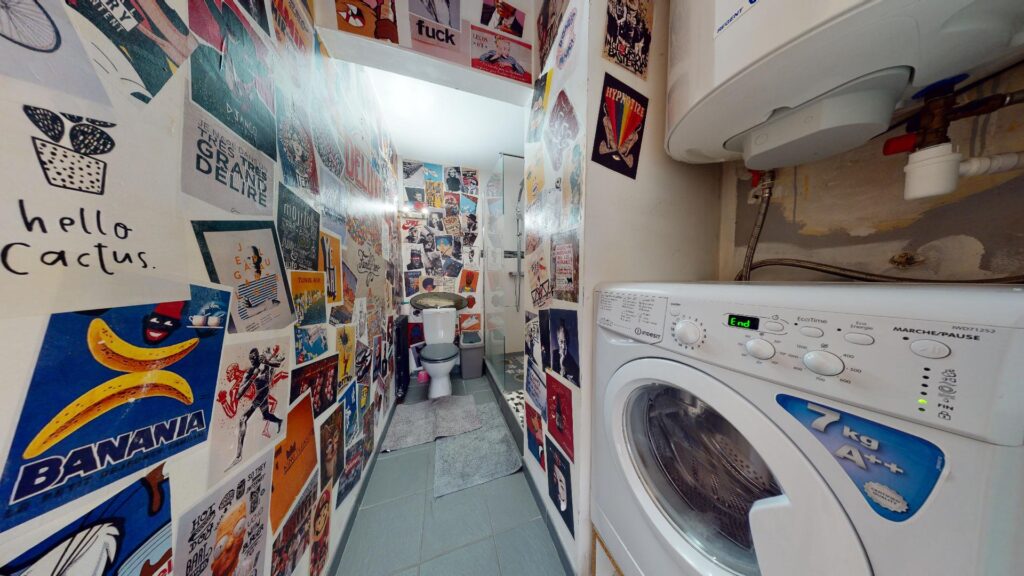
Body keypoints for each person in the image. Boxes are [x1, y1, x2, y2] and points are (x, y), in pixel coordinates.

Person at [230, 347, 285, 467]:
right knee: (266, 415)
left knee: (243, 419)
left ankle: (239, 456)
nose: (252, 360)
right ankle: (279, 421)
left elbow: (278, 364)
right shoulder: (250, 371)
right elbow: (239, 394)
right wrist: (252, 377)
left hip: (263, 393)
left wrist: (267, 362)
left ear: (257, 356)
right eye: (250, 359)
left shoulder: (264, 361)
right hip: (261, 393)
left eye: (254, 358)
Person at [551, 319, 580, 384]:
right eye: (561, 341)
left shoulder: (573, 364)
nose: (563, 346)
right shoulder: (554, 353)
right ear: (558, 340)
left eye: (565, 341)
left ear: (568, 341)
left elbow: (575, 384)